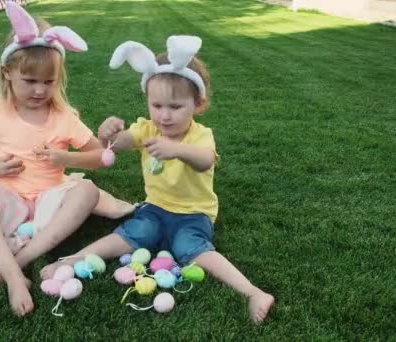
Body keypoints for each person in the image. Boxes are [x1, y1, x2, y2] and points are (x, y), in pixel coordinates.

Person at [41, 36, 275, 323]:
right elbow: (123, 142)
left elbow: (204, 160)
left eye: (175, 107)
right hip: (155, 208)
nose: (164, 116)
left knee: (188, 247)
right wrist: (108, 135)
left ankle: (252, 291)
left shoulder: (200, 135)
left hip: (193, 214)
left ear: (198, 104)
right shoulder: (148, 128)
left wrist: (176, 149)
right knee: (134, 232)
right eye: (157, 105)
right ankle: (72, 259)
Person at [0, 1, 133, 316]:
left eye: (49, 81)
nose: (40, 90)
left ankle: (17, 264)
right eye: (30, 81)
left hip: (51, 201)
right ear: (8, 73)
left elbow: (100, 157)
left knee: (86, 191)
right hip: (9, 201)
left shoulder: (64, 118)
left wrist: (64, 158)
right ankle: (15, 276)